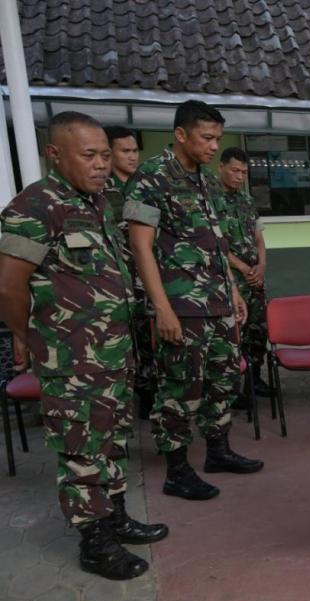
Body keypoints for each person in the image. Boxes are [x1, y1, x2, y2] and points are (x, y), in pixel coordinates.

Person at [0, 112, 167, 580]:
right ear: (55, 155)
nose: (100, 165)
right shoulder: (35, 206)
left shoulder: (98, 202)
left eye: (104, 155)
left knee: (111, 440)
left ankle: (114, 517)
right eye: (89, 155)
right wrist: (31, 339)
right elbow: (8, 288)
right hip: (71, 360)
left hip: (112, 355)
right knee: (81, 449)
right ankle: (95, 543)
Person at [124, 99, 263, 502]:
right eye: (207, 138)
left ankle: (218, 451)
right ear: (180, 134)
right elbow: (140, 247)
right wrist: (162, 307)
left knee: (223, 378)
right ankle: (177, 469)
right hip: (181, 308)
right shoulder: (151, 178)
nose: (213, 146)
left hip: (217, 302)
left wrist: (234, 291)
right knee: (181, 387)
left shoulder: (205, 180)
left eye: (218, 138)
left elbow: (216, 243)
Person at [103, 125, 157, 418]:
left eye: (135, 150)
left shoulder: (148, 185)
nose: (132, 156)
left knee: (150, 339)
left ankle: (149, 396)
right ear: (109, 153)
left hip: (147, 278)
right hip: (115, 282)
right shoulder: (99, 190)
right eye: (125, 151)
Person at [218, 147, 272, 399]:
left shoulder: (247, 201)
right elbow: (214, 243)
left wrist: (261, 266)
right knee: (233, 334)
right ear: (221, 168)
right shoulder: (210, 201)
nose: (240, 177)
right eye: (235, 171)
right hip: (230, 282)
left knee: (258, 332)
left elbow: (259, 239)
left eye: (244, 172)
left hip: (255, 281)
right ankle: (232, 389)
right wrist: (242, 267)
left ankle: (254, 380)